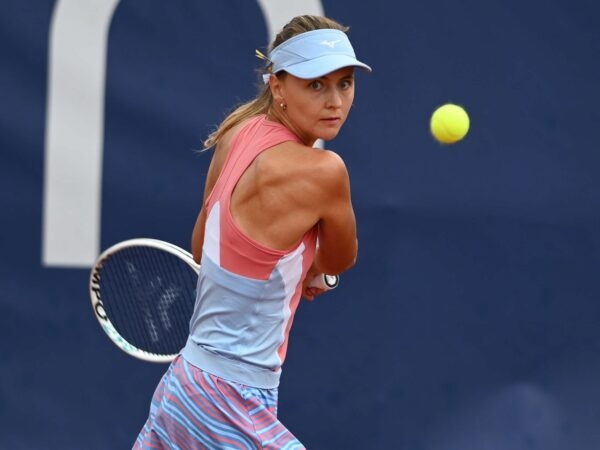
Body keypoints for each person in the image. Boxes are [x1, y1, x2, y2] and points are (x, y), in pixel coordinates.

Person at [134, 14, 371, 449]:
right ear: (278, 86)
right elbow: (340, 259)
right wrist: (318, 269)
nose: (334, 100)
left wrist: (288, 267)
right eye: (315, 84)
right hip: (226, 400)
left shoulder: (238, 134)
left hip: (186, 388)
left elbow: (203, 246)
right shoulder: (324, 171)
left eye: (344, 83)